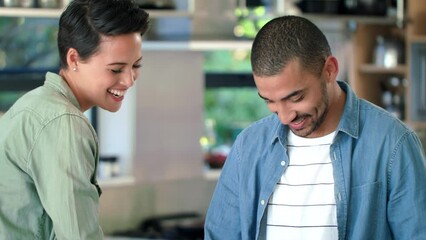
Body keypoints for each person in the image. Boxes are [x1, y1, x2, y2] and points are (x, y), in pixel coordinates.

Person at [204, 15, 426, 240]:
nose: (284, 116)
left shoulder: (393, 144)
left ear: (329, 70)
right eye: (269, 101)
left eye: (296, 97)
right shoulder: (248, 146)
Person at [0, 0, 149, 239]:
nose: (130, 80)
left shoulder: (35, 105)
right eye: (116, 69)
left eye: (136, 65)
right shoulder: (64, 123)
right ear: (73, 59)